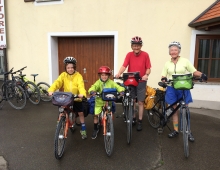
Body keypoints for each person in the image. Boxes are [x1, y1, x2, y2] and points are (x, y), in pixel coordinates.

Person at [161, 41, 208, 142]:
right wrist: (164, 79)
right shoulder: (167, 64)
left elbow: (193, 71)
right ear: (169, 52)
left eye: (175, 50)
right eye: (172, 50)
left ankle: (188, 131)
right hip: (171, 88)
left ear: (179, 51)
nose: (173, 51)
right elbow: (163, 75)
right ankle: (176, 130)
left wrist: (201, 74)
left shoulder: (185, 61)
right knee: (174, 110)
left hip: (184, 88)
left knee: (186, 109)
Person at [115, 36, 151, 131]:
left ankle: (140, 121)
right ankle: (133, 118)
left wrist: (146, 74)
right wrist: (119, 73)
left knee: (140, 102)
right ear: (132, 46)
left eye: (138, 45)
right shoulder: (129, 55)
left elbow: (148, 68)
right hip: (131, 80)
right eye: (134, 45)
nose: (136, 47)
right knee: (132, 101)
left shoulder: (145, 55)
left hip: (141, 81)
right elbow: (124, 65)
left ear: (141, 46)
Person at [48, 56, 88, 139]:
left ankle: (83, 128)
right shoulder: (63, 75)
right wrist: (51, 90)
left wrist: (82, 93)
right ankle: (60, 123)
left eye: (72, 67)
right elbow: (57, 83)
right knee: (61, 110)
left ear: (74, 67)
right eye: (68, 68)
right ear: (65, 68)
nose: (70, 69)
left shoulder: (78, 76)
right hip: (66, 97)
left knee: (80, 112)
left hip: (76, 97)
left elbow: (81, 85)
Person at [88, 66, 125, 139]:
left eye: (106, 75)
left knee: (109, 113)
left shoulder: (111, 82)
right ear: (100, 76)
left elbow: (118, 87)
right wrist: (92, 91)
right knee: (96, 115)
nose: (104, 77)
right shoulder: (98, 82)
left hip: (109, 101)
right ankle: (95, 128)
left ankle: (109, 125)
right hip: (99, 101)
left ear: (108, 75)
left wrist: (121, 91)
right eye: (102, 75)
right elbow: (93, 87)